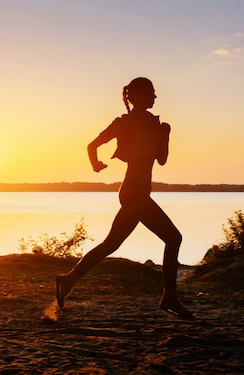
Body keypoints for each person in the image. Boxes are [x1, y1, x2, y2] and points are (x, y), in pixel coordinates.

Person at [56, 77, 194, 319]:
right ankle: (169, 297)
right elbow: (92, 145)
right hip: (133, 192)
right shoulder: (123, 123)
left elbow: (161, 159)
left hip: (138, 192)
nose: (155, 97)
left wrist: (166, 135)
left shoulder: (157, 125)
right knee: (173, 238)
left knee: (111, 244)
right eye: (152, 92)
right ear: (139, 96)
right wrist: (95, 164)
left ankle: (67, 280)